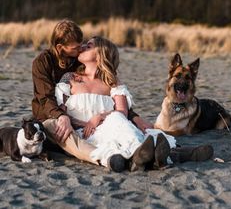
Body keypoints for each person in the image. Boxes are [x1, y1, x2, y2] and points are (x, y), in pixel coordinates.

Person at [54, 36, 214, 172]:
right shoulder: (70, 78)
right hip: (86, 133)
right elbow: (61, 113)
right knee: (118, 134)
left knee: (117, 120)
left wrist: (99, 117)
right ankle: (169, 156)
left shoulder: (112, 82)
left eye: (88, 46)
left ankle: (150, 155)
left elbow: (122, 112)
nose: (82, 47)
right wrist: (84, 123)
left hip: (111, 125)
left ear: (100, 54)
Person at [31, 19, 153, 169]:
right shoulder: (43, 63)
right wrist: (64, 117)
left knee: (117, 123)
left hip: (92, 124)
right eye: (77, 47)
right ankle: (106, 157)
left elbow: (118, 107)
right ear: (60, 47)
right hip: (48, 115)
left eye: (84, 44)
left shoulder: (79, 61)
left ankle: (139, 154)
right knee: (60, 128)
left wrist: (134, 117)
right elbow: (45, 99)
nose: (81, 48)